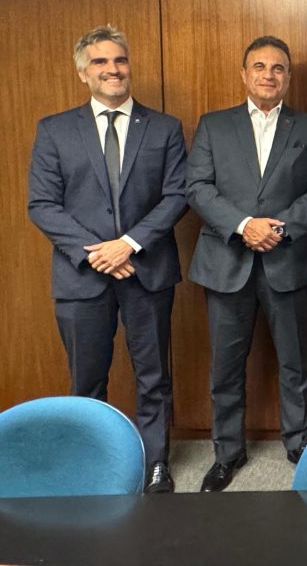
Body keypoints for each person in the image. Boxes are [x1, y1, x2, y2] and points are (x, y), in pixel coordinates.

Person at [28, 25, 187, 493]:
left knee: (154, 377)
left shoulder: (164, 128)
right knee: (86, 380)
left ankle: (156, 462)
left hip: (146, 271)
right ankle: (90, 464)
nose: (112, 69)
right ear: (83, 72)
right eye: (100, 62)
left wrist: (129, 244)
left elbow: (176, 195)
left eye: (119, 60)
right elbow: (42, 205)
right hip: (81, 278)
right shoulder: (54, 130)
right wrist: (97, 253)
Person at [187, 35, 307, 492]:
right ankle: (227, 453)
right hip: (227, 262)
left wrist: (280, 227)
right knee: (226, 367)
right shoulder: (213, 125)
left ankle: (299, 445)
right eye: (260, 67)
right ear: (244, 74)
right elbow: (198, 188)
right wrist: (245, 224)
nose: (269, 75)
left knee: (297, 363)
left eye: (278, 68)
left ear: (288, 77)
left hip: (288, 260)